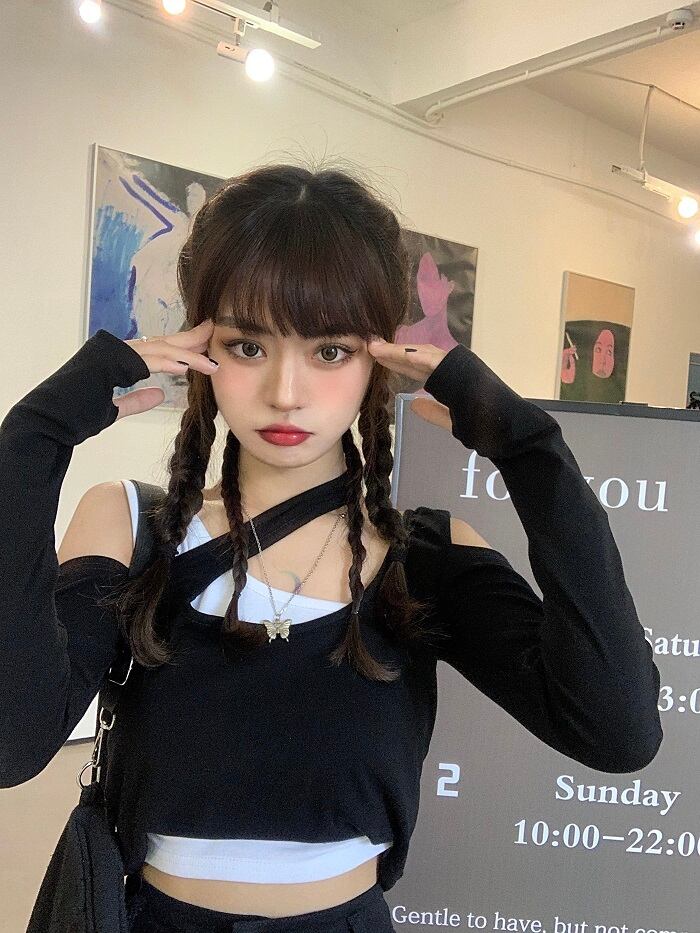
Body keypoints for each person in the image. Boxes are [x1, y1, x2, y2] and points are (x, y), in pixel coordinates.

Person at [0, 163, 663, 933]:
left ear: (377, 356)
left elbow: (617, 732)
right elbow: (13, 743)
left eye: (329, 351)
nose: (286, 391)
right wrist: (34, 436)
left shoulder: (424, 559)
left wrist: (529, 448)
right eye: (248, 345)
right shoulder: (133, 525)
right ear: (199, 342)